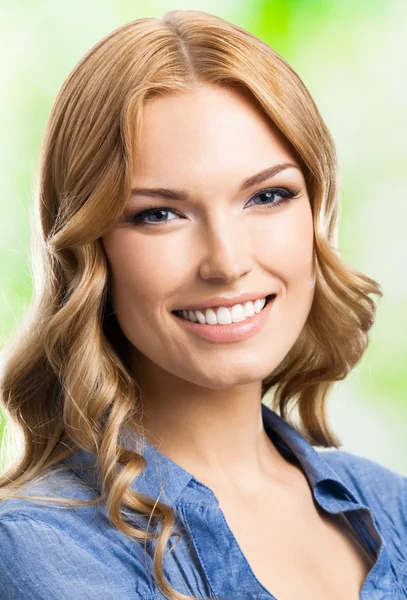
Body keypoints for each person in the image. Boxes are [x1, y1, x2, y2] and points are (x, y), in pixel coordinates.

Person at [0, 9, 405, 600]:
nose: (227, 261)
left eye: (268, 196)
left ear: (316, 214)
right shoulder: (45, 546)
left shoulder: (392, 506)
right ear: (92, 251)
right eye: (159, 214)